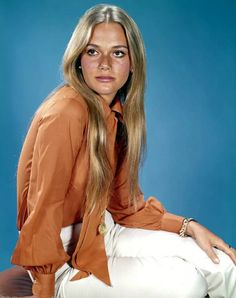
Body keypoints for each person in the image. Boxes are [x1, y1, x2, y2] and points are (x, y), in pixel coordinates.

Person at [0, 4, 235, 298]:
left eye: (118, 53)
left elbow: (125, 207)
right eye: (93, 51)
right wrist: (45, 287)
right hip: (60, 261)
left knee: (222, 265)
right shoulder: (65, 113)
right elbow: (42, 212)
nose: (105, 64)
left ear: (133, 62)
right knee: (189, 283)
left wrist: (187, 226)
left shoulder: (117, 115)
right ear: (78, 60)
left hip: (104, 233)